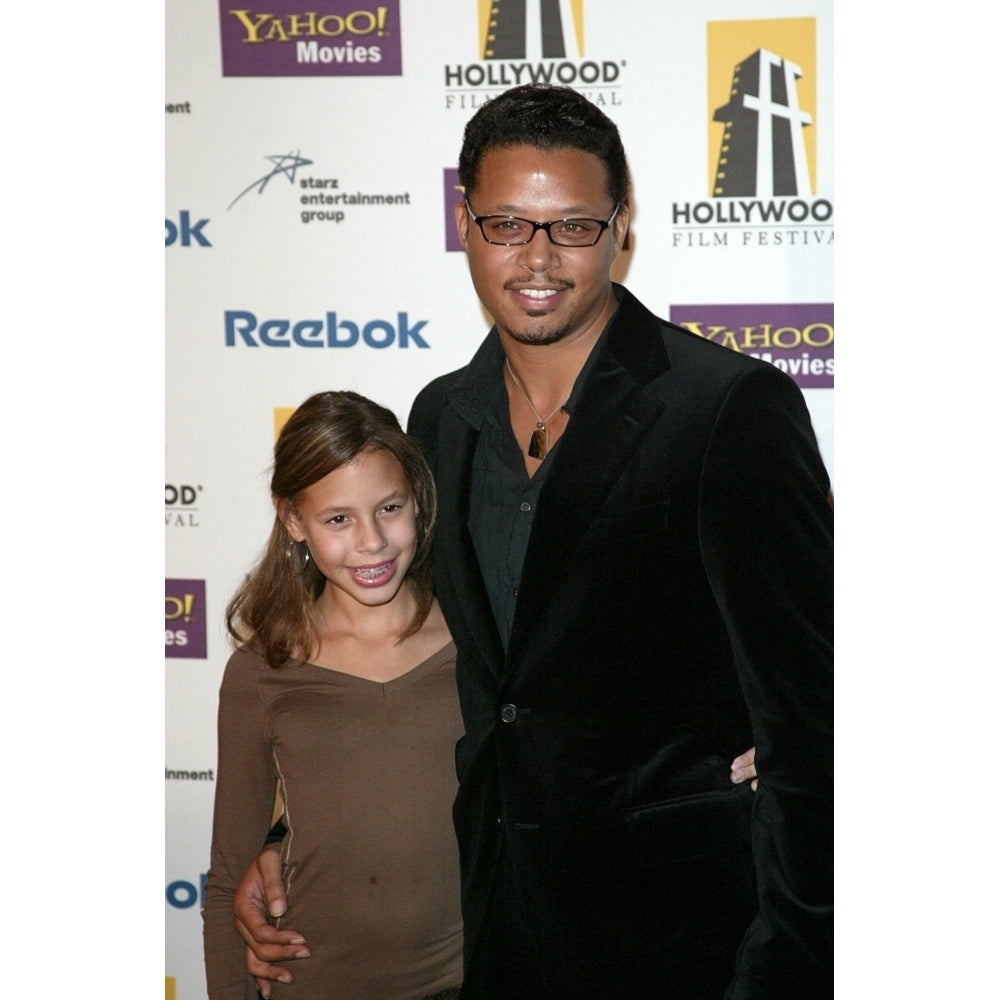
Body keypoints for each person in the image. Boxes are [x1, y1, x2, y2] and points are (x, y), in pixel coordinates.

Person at [236, 83, 832, 999]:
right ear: (464, 221)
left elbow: (812, 725)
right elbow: (421, 668)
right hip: (493, 928)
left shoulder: (728, 410)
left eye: (573, 227)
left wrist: (786, 965)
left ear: (621, 227)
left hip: (687, 939)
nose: (539, 258)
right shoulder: (438, 421)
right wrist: (288, 835)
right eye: (509, 224)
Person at [203, 390, 464, 1000]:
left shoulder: (476, 644)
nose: (371, 542)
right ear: (294, 519)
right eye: (338, 519)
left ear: (419, 502)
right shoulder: (262, 671)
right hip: (308, 984)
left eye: (389, 508)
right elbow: (225, 882)